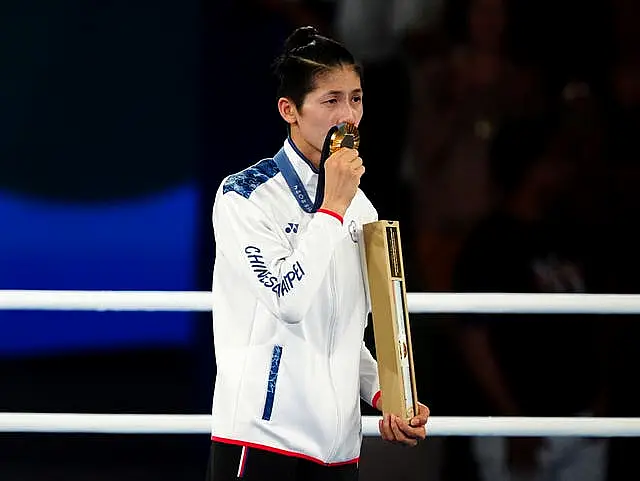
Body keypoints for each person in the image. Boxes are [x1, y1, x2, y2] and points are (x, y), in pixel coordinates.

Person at [206, 26, 430, 481]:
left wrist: (387, 394)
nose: (347, 116)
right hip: (262, 441)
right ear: (290, 110)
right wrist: (331, 210)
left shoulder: (362, 207)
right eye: (330, 101)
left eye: (356, 98)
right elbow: (288, 303)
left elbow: (345, 333)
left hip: (339, 451)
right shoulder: (244, 197)